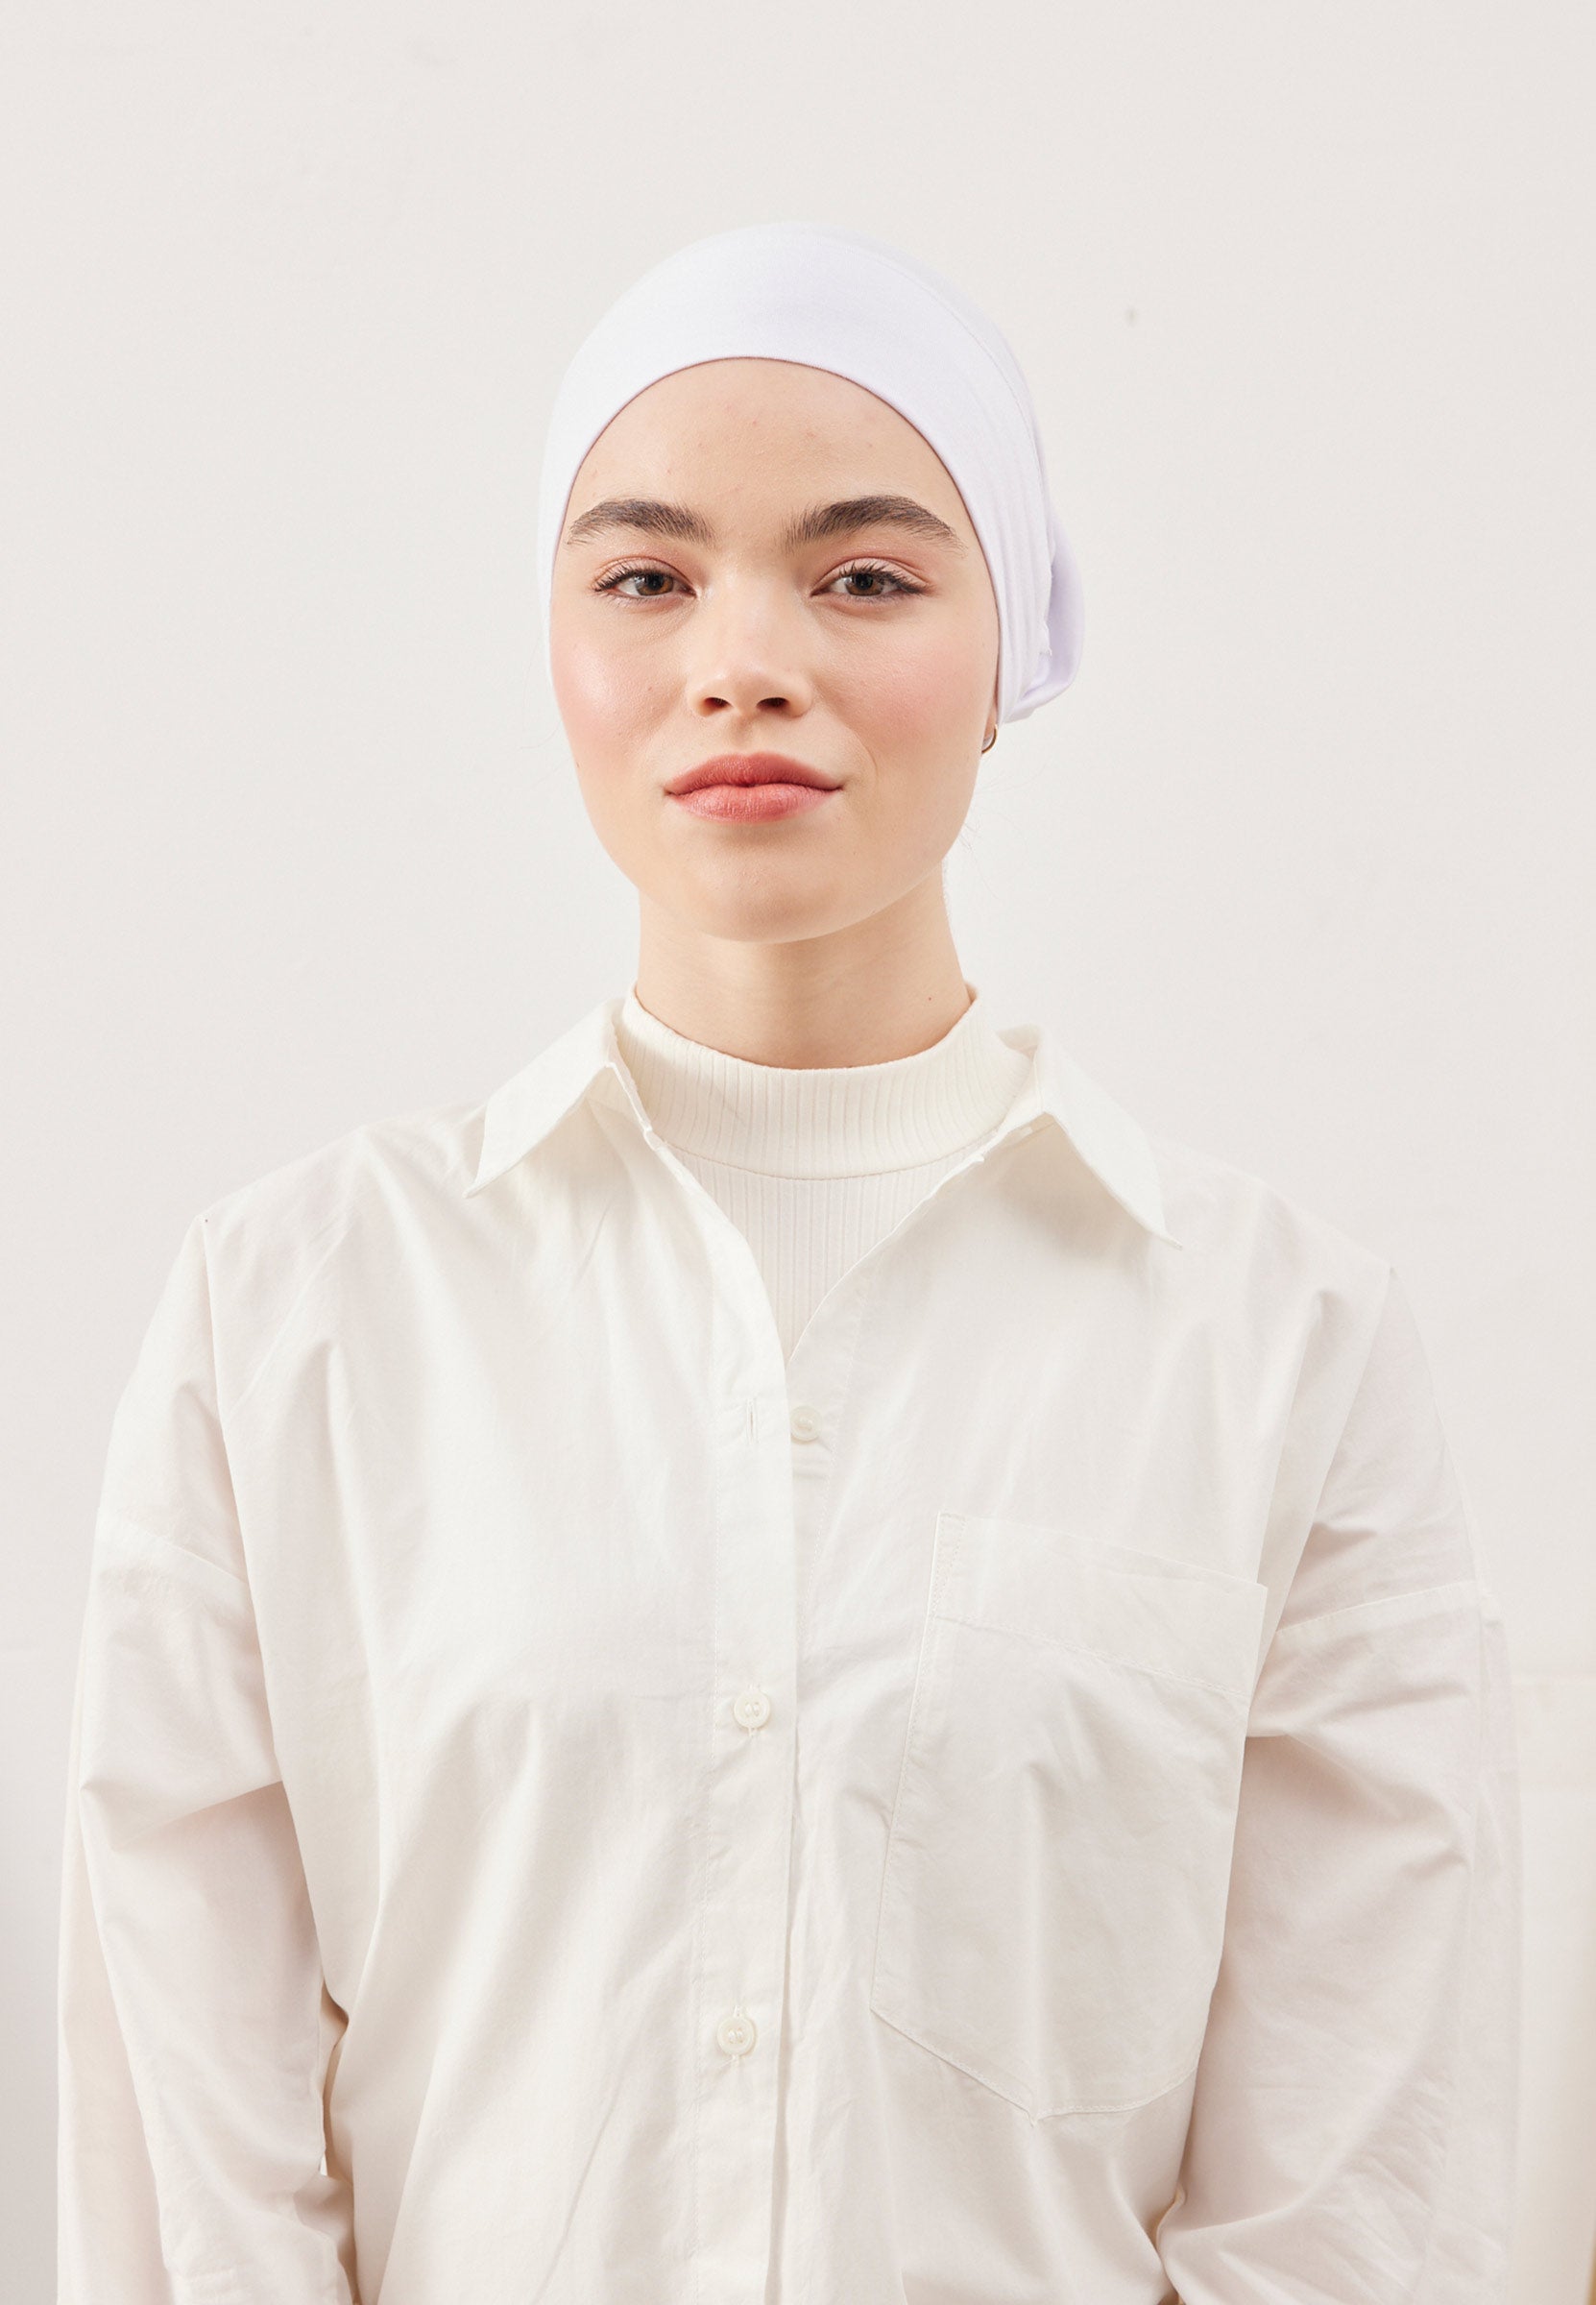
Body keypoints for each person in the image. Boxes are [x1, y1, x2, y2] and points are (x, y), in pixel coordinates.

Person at [57, 223, 1521, 2304]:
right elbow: (190, 2174)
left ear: (1013, 649)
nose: (742, 660)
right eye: (647, 579)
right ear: (554, 645)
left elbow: (1366, 2194)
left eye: (865, 577)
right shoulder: (294, 1315)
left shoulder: (1282, 1348)